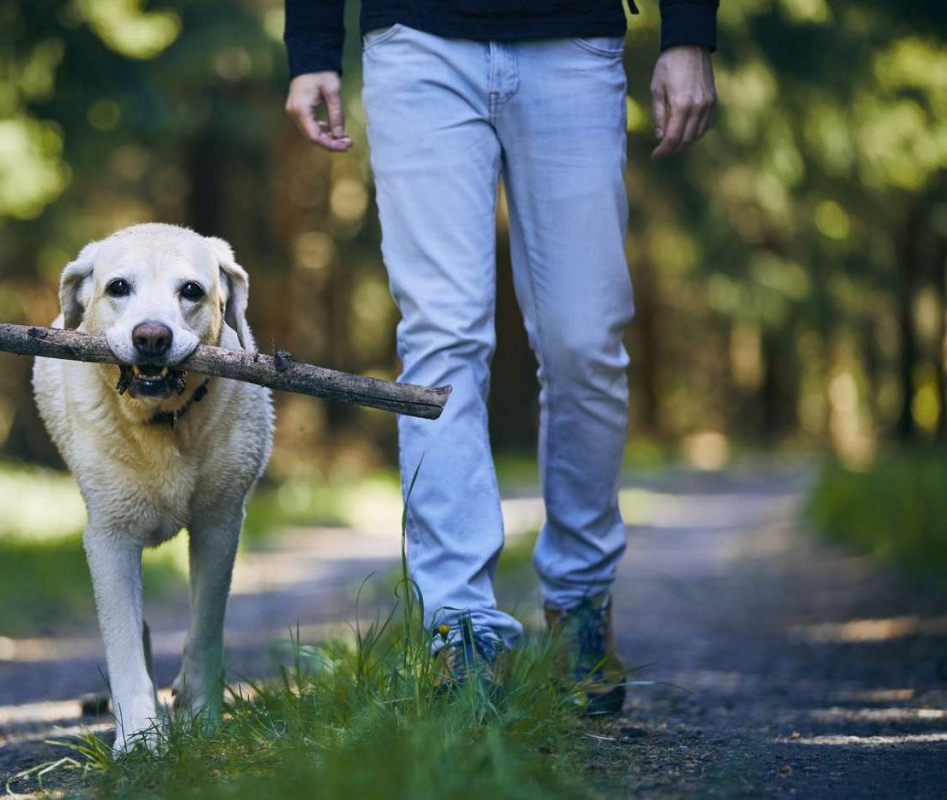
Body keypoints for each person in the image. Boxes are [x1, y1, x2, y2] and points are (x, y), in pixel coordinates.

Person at [283, 0, 718, 713]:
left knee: (586, 342)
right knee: (440, 341)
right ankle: (459, 632)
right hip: (415, 40)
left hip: (573, 40)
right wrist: (311, 46)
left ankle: (580, 600)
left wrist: (690, 32)